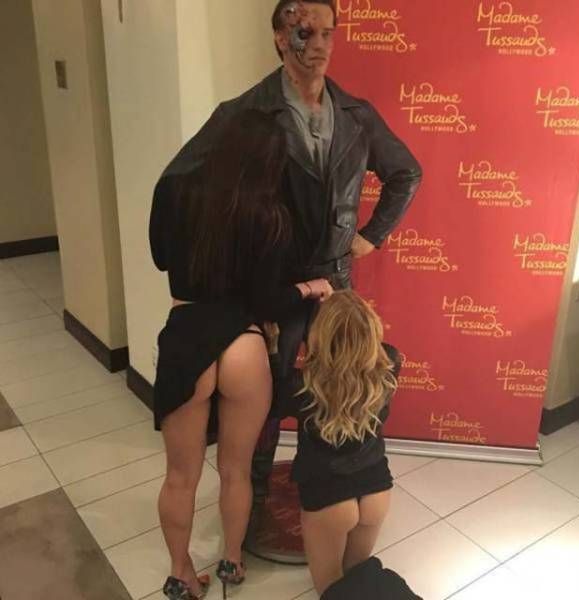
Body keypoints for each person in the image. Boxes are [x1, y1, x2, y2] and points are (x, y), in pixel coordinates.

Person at [154, 0, 422, 508]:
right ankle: (253, 500)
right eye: (304, 33)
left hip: (336, 282)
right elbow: (176, 182)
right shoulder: (244, 113)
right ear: (280, 37)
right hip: (273, 285)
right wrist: (197, 259)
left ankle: (328, 487)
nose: (318, 45)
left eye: (328, 33)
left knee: (342, 380)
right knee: (266, 396)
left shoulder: (357, 115)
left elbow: (406, 172)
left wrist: (371, 235)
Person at [149, 110, 333, 600]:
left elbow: (161, 258)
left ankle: (180, 573)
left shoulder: (173, 192)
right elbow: (268, 303)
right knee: (236, 469)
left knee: (180, 477)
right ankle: (232, 559)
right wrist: (310, 287)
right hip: (242, 344)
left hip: (186, 336)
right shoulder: (269, 214)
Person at [279, 290, 401, 596]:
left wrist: (273, 346)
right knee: (357, 583)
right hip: (376, 489)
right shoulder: (390, 364)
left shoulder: (302, 385)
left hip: (328, 495)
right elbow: (367, 346)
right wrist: (347, 312)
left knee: (332, 591)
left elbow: (273, 397)